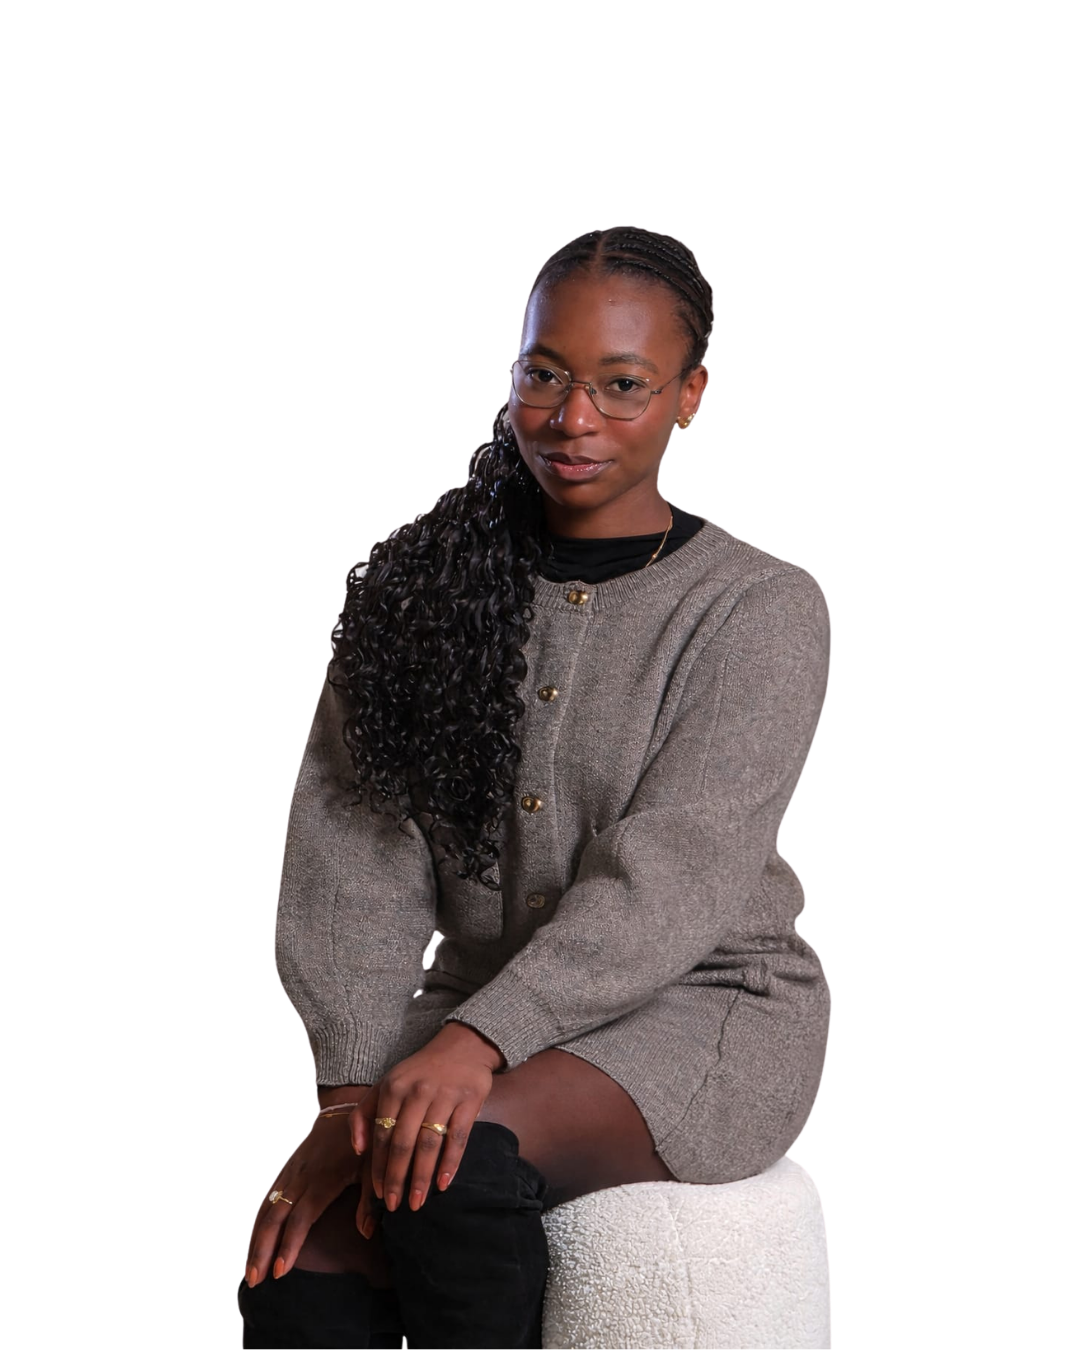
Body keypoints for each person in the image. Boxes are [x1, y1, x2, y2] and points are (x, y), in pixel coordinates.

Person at [238, 225, 833, 1348]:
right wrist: (352, 1091)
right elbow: (350, 854)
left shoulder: (756, 609)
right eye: (545, 375)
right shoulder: (412, 586)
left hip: (703, 1002)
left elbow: (676, 874)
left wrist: (479, 1043)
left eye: (623, 385)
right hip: (475, 1001)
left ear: (688, 396)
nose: (573, 419)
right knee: (299, 1257)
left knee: (449, 1164)